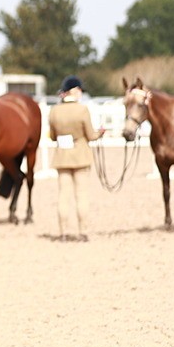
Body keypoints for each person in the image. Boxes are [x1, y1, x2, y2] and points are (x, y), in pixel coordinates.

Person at [49, 75, 103, 242]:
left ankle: (63, 232)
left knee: (63, 195)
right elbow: (91, 135)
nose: (81, 93)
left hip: (62, 157)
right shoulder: (82, 110)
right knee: (81, 195)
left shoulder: (54, 111)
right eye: (79, 90)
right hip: (80, 156)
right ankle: (83, 231)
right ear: (74, 91)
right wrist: (100, 133)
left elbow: (52, 136)